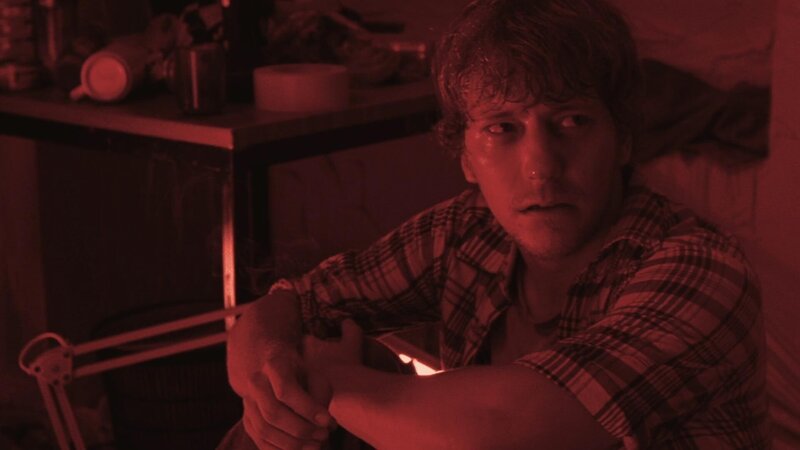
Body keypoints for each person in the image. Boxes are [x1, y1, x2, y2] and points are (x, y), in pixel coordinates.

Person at [223, 0, 768, 448]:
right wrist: (273, 382)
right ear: (465, 156)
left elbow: (505, 431)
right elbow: (288, 304)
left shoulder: (700, 268)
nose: (541, 167)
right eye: (502, 128)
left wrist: (334, 381)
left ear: (623, 139)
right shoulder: (470, 230)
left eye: (572, 121)